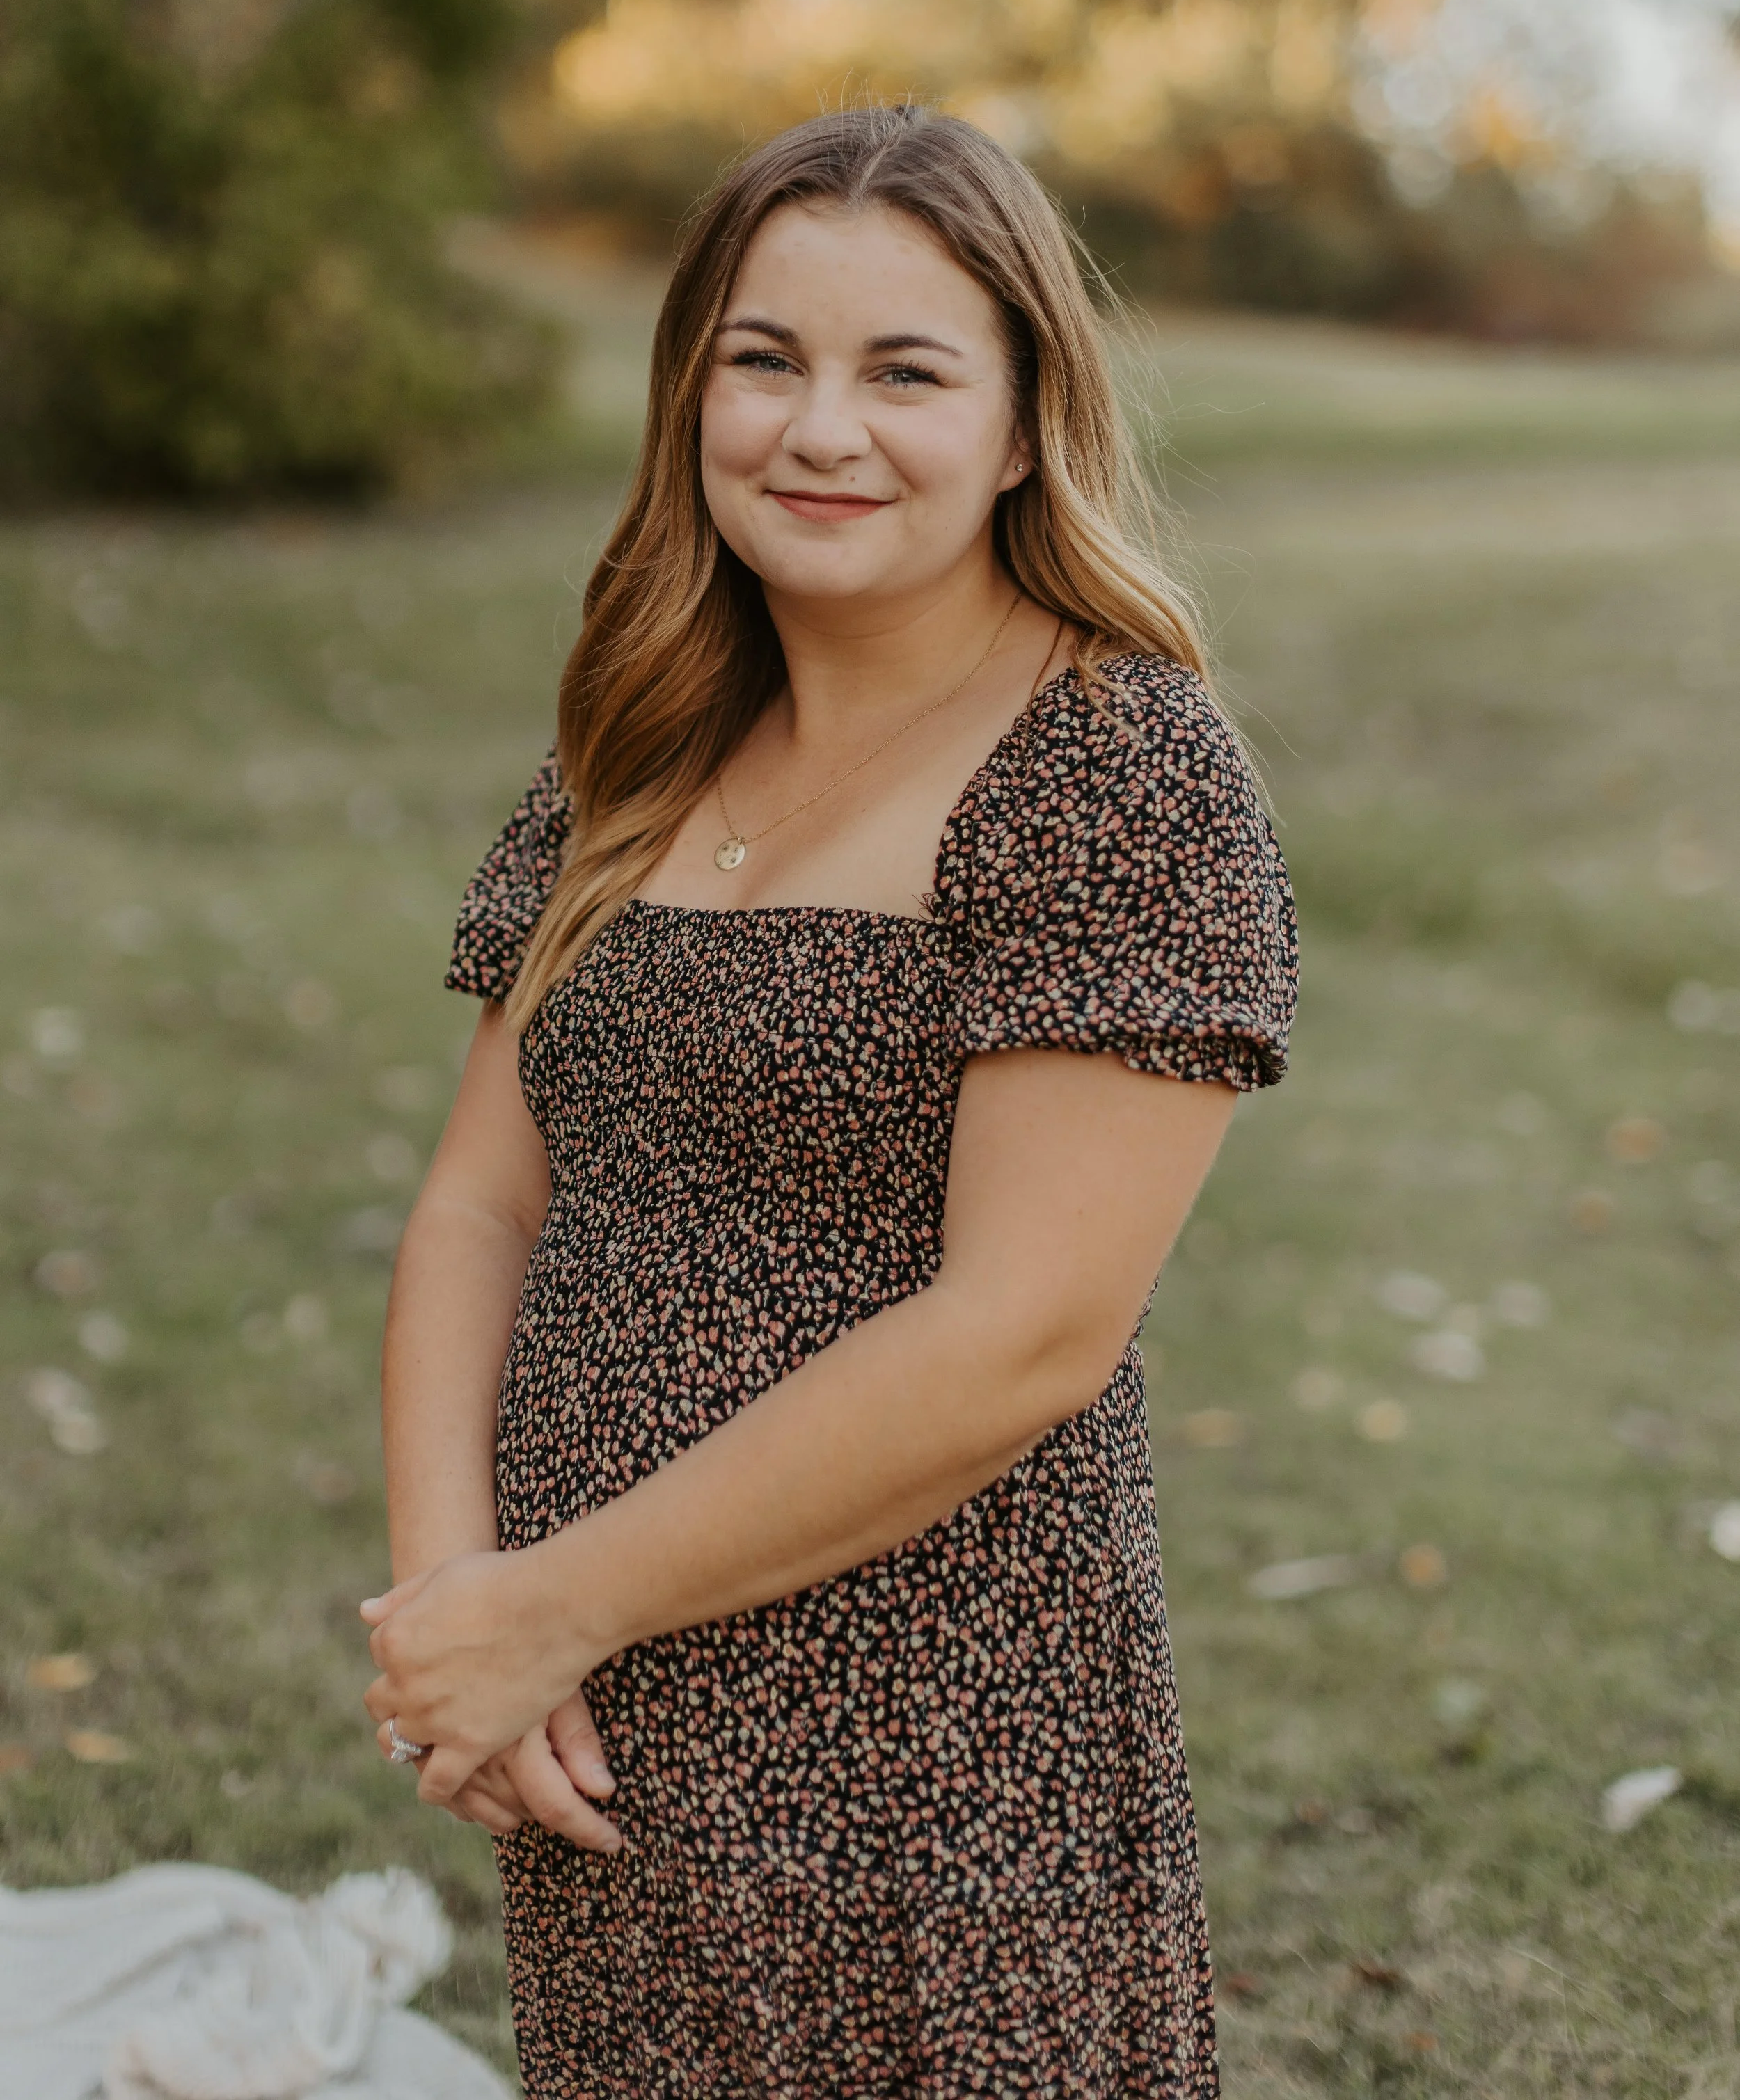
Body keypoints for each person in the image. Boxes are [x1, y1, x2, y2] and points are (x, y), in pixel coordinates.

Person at [362, 104, 1297, 2097]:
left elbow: (1020, 1335)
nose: (819, 430)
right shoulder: (641, 741)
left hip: (926, 1750)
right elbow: (477, 1203)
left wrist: (545, 1600)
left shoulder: (1113, 767)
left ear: (1030, 419)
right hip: (595, 1710)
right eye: (764, 359)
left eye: (905, 372)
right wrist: (457, 1614)